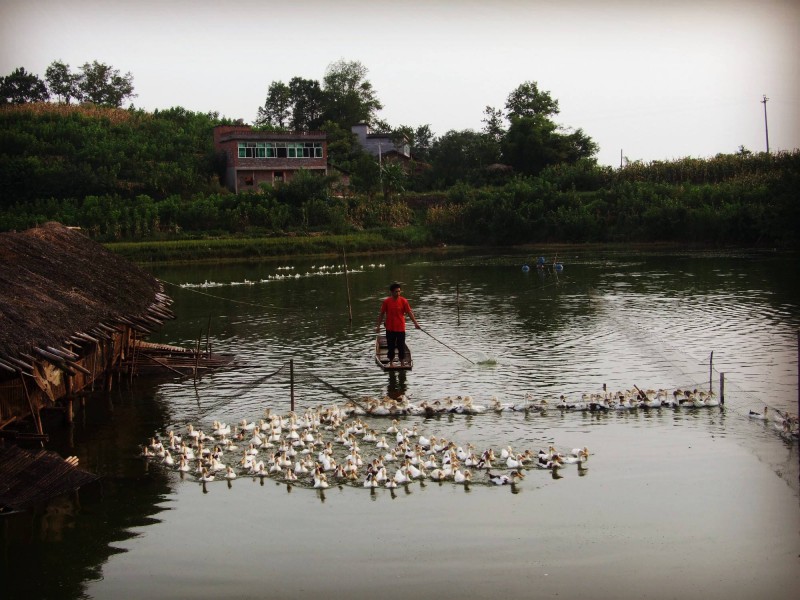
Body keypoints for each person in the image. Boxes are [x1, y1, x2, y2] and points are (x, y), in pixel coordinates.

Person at [375, 282, 420, 366]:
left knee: (401, 346)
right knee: (391, 346)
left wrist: (415, 323)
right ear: (391, 292)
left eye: (399, 291)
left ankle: (402, 362)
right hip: (390, 328)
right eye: (396, 291)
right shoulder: (386, 302)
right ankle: (391, 363)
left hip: (400, 328)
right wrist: (378, 326)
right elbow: (381, 314)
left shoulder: (404, 301)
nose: (398, 293)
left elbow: (409, 312)